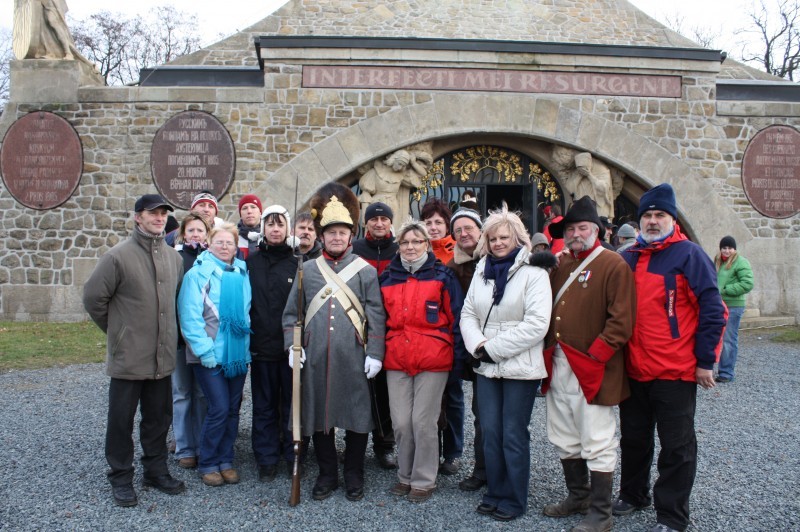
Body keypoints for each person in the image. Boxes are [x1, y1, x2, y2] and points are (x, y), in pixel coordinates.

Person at [615, 183, 726, 532]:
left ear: (671, 218)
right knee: (634, 438)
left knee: (677, 447)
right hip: (635, 368)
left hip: (674, 371)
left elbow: (713, 309)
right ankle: (633, 495)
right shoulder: (628, 257)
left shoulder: (689, 255)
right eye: (646, 215)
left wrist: (705, 361)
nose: (651, 221)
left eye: (659, 215)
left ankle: (672, 515)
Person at [282, 183, 386, 502]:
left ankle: (354, 473)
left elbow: (376, 315)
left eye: (342, 232)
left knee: (356, 418)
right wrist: (292, 347)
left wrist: (376, 353)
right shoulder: (307, 270)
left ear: (350, 235)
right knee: (319, 417)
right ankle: (327, 473)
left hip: (354, 357)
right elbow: (291, 315)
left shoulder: (365, 272)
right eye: (331, 233)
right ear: (322, 236)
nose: (337, 237)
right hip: (315, 357)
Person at [83, 194, 185, 507]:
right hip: (129, 358)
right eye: (152, 213)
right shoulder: (118, 257)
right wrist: (119, 333)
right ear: (137, 217)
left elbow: (174, 302)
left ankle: (155, 471)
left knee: (158, 419)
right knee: (121, 421)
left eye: (163, 213)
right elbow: (93, 299)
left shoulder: (174, 258)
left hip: (162, 357)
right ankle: (121, 476)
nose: (159, 218)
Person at [540, 196, 636, 532]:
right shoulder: (561, 264)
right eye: (570, 229)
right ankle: (578, 496)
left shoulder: (613, 265)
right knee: (564, 434)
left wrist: (596, 356)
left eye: (582, 228)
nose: (576, 233)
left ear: (596, 230)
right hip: (560, 363)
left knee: (597, 438)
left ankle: (601, 513)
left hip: (592, 367)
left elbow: (621, 321)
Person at [460, 204, 552, 522]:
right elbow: (469, 312)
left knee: (513, 433)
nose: (499, 243)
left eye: (505, 237)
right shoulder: (481, 270)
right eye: (494, 237)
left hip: (520, 366)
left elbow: (537, 324)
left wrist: (492, 348)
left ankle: (514, 496)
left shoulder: (535, 273)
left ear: (518, 238)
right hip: (486, 363)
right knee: (490, 430)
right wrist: (477, 345)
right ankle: (495, 490)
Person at [380, 220, 464, 503]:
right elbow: (380, 320)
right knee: (401, 422)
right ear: (399, 246)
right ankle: (405, 475)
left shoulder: (443, 276)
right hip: (397, 358)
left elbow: (455, 319)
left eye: (416, 241)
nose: (410, 247)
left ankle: (424, 479)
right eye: (405, 242)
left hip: (433, 358)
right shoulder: (389, 278)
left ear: (427, 244)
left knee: (423, 422)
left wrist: (457, 359)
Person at [178, 223, 252, 487]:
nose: (224, 247)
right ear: (209, 244)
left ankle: (226, 459)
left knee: (232, 409)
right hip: (209, 355)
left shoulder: (241, 273)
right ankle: (208, 461)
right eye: (219, 242)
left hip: (236, 356)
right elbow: (190, 317)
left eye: (229, 243)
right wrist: (203, 350)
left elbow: (246, 313)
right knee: (218, 408)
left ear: (236, 246)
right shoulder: (198, 275)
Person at [246, 205, 299, 481]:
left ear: (288, 229)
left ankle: (292, 454)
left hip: (291, 350)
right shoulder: (250, 262)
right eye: (271, 224)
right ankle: (266, 457)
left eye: (280, 225)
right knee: (264, 405)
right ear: (263, 228)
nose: (275, 229)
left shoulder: (298, 263)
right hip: (262, 348)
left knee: (291, 405)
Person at [352, 201, 398, 470]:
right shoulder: (355, 250)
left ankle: (384, 445)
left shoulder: (398, 250)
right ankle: (354, 439)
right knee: (357, 389)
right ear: (366, 223)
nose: (379, 223)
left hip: (389, 328)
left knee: (384, 392)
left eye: (384, 219)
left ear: (391, 222)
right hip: (357, 327)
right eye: (374, 219)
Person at [445, 207, 486, 492]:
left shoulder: (496, 257)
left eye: (468, 227)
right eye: (458, 230)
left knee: (488, 414)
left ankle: (489, 469)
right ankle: (480, 470)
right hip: (468, 345)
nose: (464, 233)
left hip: (497, 344)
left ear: (480, 229)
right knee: (475, 409)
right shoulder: (453, 267)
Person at [420, 197, 462, 474]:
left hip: (450, 331)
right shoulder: (417, 252)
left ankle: (453, 451)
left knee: (454, 395)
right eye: (428, 222)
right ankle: (429, 450)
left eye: (438, 222)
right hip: (426, 338)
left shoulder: (457, 254)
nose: (433, 227)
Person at [171, 213, 211, 470]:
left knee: (202, 394)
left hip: (206, 339)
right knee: (182, 393)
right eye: (191, 230)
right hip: (179, 339)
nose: (195, 235)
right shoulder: (176, 260)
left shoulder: (212, 260)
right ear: (184, 233)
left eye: (200, 231)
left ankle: (201, 444)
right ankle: (184, 447)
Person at [714, 236, 754, 383]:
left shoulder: (741, 262)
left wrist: (725, 290)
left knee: (728, 339)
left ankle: (726, 372)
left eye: (730, 248)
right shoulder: (717, 261)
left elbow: (748, 283)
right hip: (718, 304)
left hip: (733, 305)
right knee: (713, 336)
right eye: (724, 248)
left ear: (734, 249)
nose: (727, 251)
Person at [236, 194, 263, 259]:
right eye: (245, 208)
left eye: (253, 207)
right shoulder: (233, 238)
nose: (249, 211)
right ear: (240, 215)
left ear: (260, 212)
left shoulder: (269, 237)